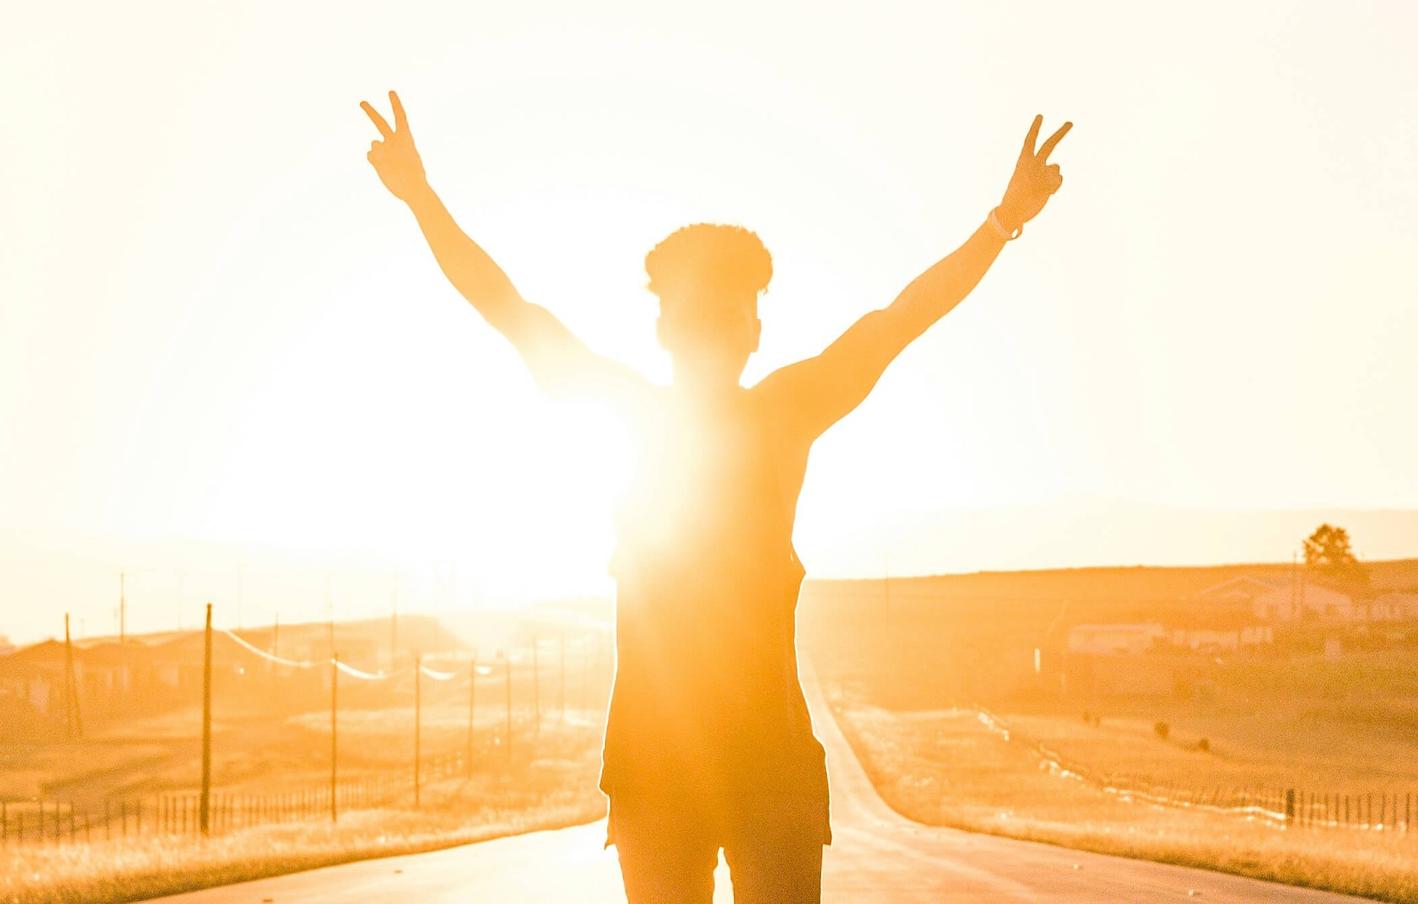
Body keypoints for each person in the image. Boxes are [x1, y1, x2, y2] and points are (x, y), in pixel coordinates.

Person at [359, 90, 1070, 904]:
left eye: (732, 310)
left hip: (756, 765)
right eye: (706, 310)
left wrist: (1002, 223)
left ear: (754, 331)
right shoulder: (709, 411)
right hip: (663, 766)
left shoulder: (765, 410)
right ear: (671, 327)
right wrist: (420, 199)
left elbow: (902, 317)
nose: (720, 325)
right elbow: (507, 308)